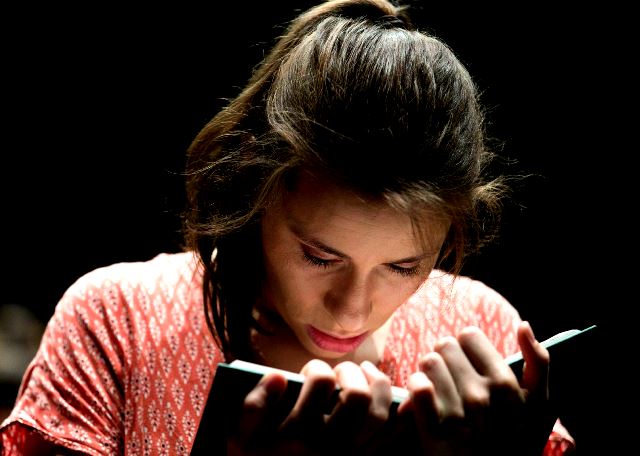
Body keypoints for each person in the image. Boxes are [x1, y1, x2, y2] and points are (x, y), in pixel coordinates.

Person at [0, 0, 577, 454]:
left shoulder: (485, 336)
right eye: (319, 256)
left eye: (404, 267)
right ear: (256, 190)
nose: (351, 311)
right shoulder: (118, 324)